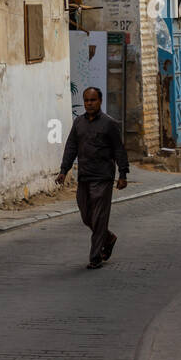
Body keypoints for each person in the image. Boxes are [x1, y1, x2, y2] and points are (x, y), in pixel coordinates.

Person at [55, 86, 129, 269]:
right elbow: (71, 146)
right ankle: (108, 237)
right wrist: (64, 170)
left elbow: (119, 149)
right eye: (86, 100)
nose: (89, 103)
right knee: (86, 216)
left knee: (99, 217)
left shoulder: (109, 124)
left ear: (100, 101)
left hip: (103, 176)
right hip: (85, 176)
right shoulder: (78, 123)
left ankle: (95, 257)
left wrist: (123, 174)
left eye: (93, 100)